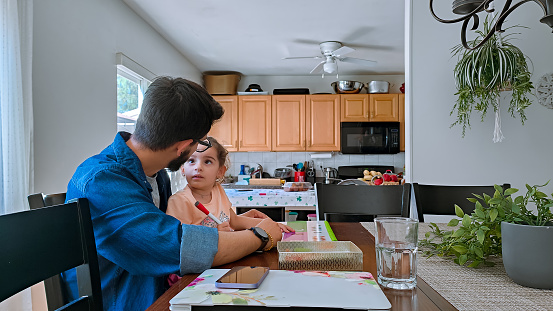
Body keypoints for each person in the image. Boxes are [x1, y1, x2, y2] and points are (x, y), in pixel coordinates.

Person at [63, 77, 284, 311]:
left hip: (161, 293)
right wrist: (261, 234)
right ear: (183, 146)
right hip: (125, 303)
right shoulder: (103, 181)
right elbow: (179, 248)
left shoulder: (156, 174)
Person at [166, 136, 294, 234]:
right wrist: (215, 234)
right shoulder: (179, 201)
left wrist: (270, 225)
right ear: (182, 168)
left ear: (220, 171)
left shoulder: (217, 191)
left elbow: (235, 221)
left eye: (208, 162)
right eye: (191, 161)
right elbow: (180, 243)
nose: (198, 167)